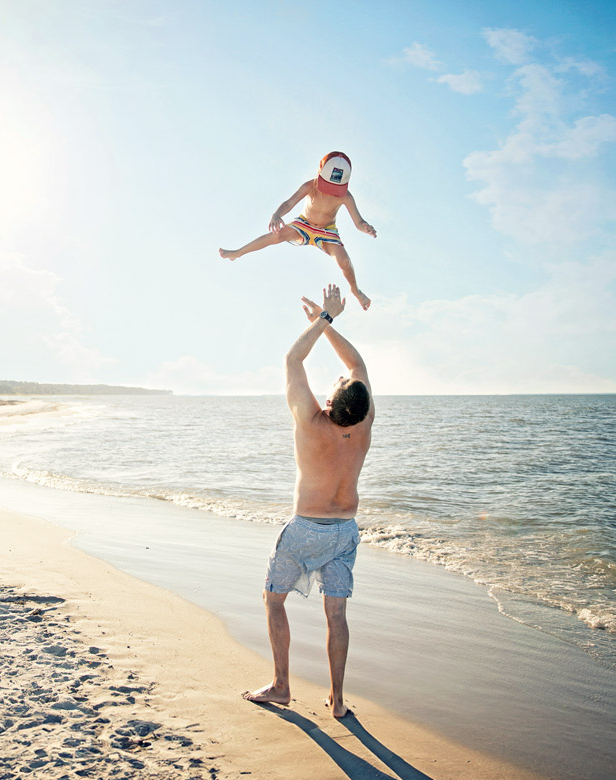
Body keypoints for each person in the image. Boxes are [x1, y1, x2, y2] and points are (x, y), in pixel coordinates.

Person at [242, 283, 375, 719]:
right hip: (345, 532)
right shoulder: (364, 421)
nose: (339, 378)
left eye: (336, 384)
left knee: (273, 600)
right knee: (336, 613)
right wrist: (328, 319)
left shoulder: (310, 422)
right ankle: (337, 701)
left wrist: (325, 318)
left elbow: (292, 359)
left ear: (330, 400)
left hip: (305, 531)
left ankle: (282, 686)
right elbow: (356, 364)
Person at [219, 152, 377, 311]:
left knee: (344, 262)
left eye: (334, 189)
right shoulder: (310, 186)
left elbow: (358, 221)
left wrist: (365, 227)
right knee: (278, 234)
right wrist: (277, 215)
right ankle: (238, 252)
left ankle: (355, 290)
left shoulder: (346, 196)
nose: (330, 192)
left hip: (327, 231)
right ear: (319, 174)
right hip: (304, 225)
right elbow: (288, 204)